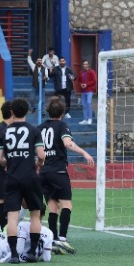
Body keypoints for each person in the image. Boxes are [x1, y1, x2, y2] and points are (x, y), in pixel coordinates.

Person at [38, 96, 94, 252]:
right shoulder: (62, 126)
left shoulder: (40, 127)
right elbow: (68, 143)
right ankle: (62, 238)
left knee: (52, 206)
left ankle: (53, 239)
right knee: (66, 204)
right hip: (58, 170)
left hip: (44, 172)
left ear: (48, 112)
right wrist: (84, 152)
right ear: (62, 113)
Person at [0, 97, 46, 264]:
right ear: (27, 112)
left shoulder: (4, 132)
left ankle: (14, 254)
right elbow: (42, 154)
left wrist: (9, 163)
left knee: (12, 216)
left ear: (12, 112)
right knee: (35, 214)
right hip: (30, 176)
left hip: (12, 177)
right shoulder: (33, 130)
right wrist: (39, 164)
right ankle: (31, 252)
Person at [78, 60, 97, 125]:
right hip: (83, 91)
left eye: (86, 64)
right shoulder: (81, 72)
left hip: (89, 90)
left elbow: (94, 80)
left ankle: (90, 118)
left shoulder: (92, 72)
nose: (85, 65)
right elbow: (79, 80)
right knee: (84, 105)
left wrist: (86, 84)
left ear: (88, 65)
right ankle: (85, 119)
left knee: (89, 103)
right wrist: (81, 84)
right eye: (84, 64)